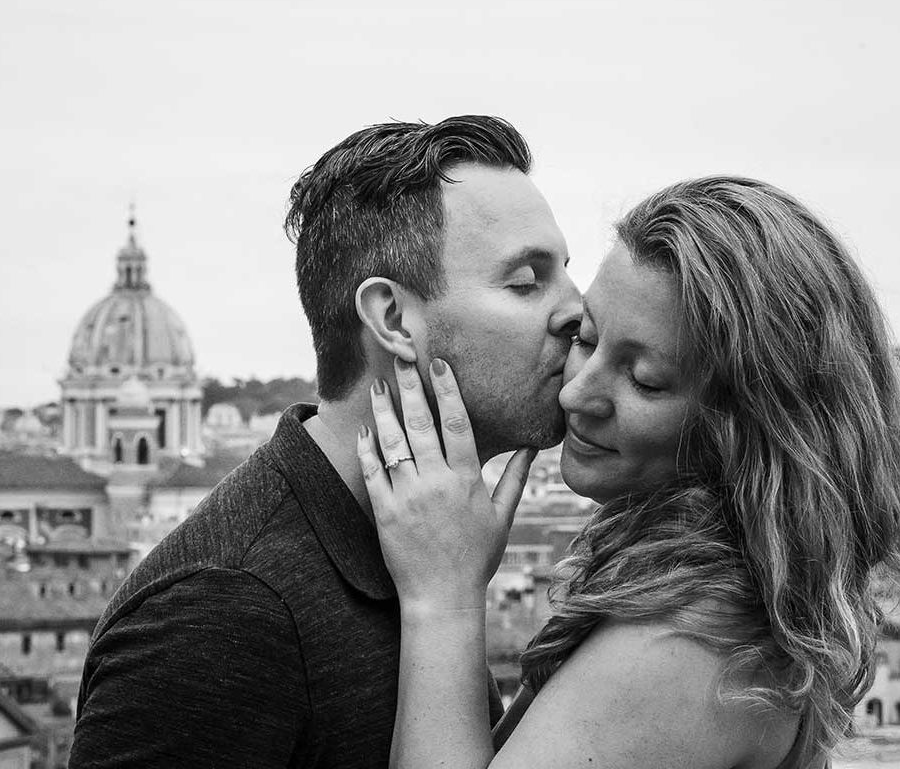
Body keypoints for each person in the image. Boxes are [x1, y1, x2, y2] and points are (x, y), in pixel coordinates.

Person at [69, 115, 581, 767]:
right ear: (393, 319)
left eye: (565, 271)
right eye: (526, 281)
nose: (577, 309)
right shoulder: (220, 613)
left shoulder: (434, 549)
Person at [358, 176, 900, 768]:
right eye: (586, 339)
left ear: (751, 428)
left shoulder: (683, 647)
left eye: (644, 380)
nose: (576, 395)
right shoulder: (739, 602)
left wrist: (445, 597)